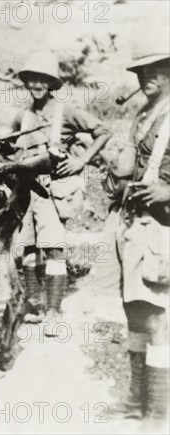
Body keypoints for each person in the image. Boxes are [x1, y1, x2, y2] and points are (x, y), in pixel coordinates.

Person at [11, 51, 111, 333]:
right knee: (28, 247)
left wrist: (82, 160)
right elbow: (9, 144)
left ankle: (53, 310)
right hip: (25, 190)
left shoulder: (64, 111)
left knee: (54, 248)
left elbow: (103, 130)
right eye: (32, 81)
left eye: (42, 80)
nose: (37, 86)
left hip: (52, 191)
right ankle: (32, 303)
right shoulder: (24, 115)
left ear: (51, 83)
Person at [102, 41, 169, 425]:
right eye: (142, 71)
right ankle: (136, 399)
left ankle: (158, 412)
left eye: (157, 69)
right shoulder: (144, 116)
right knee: (136, 314)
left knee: (160, 317)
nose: (147, 77)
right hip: (134, 226)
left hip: (163, 228)